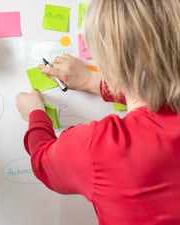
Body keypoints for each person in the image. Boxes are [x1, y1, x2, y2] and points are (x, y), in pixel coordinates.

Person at [16, 1, 180, 224]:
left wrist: (35, 113)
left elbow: (43, 160)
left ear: (111, 62)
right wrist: (91, 81)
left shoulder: (103, 146)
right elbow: (162, 93)